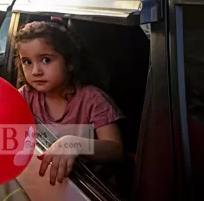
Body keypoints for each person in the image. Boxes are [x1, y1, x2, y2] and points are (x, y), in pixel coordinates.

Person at [15, 21, 125, 186]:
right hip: (44, 185)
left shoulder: (93, 99)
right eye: (27, 62)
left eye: (46, 60)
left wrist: (73, 143)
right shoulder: (26, 95)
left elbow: (116, 150)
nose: (36, 71)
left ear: (70, 63)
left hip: (92, 192)